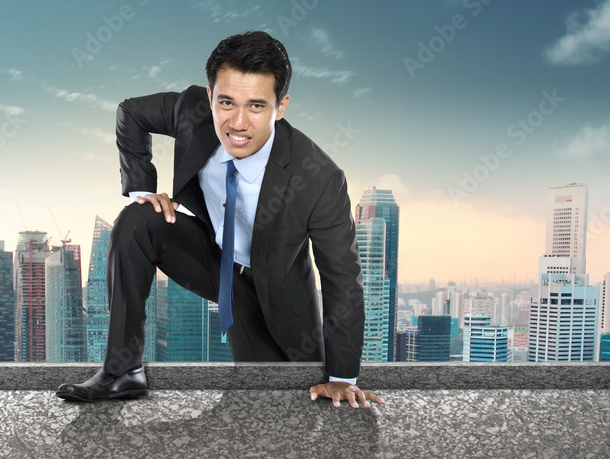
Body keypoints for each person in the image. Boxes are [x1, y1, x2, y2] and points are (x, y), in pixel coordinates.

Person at [57, 30, 383, 408]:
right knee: (137, 220)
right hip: (212, 260)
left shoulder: (319, 178)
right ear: (210, 96)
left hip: (273, 295)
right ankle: (122, 372)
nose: (238, 123)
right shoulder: (191, 111)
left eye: (257, 106)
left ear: (281, 107)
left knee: (268, 411)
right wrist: (142, 190)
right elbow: (130, 113)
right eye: (226, 102)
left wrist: (342, 377)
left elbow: (343, 278)